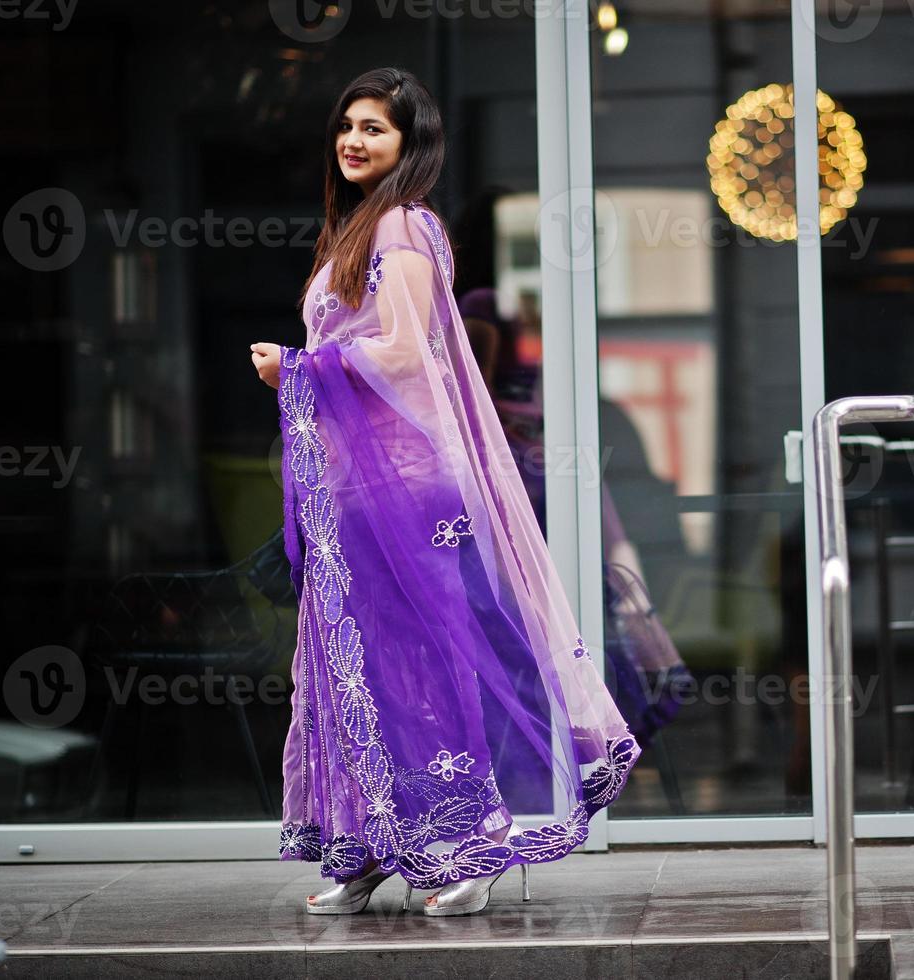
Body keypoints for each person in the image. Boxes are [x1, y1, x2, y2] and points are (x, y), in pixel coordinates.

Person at [247, 67, 640, 918]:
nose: (353, 140)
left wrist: (297, 367)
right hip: (358, 494)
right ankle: (369, 846)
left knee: (419, 665)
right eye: (347, 124)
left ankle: (470, 847)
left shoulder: (401, 224)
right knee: (344, 668)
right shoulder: (359, 228)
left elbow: (398, 355)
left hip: (407, 493)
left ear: (409, 146)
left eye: (374, 130)